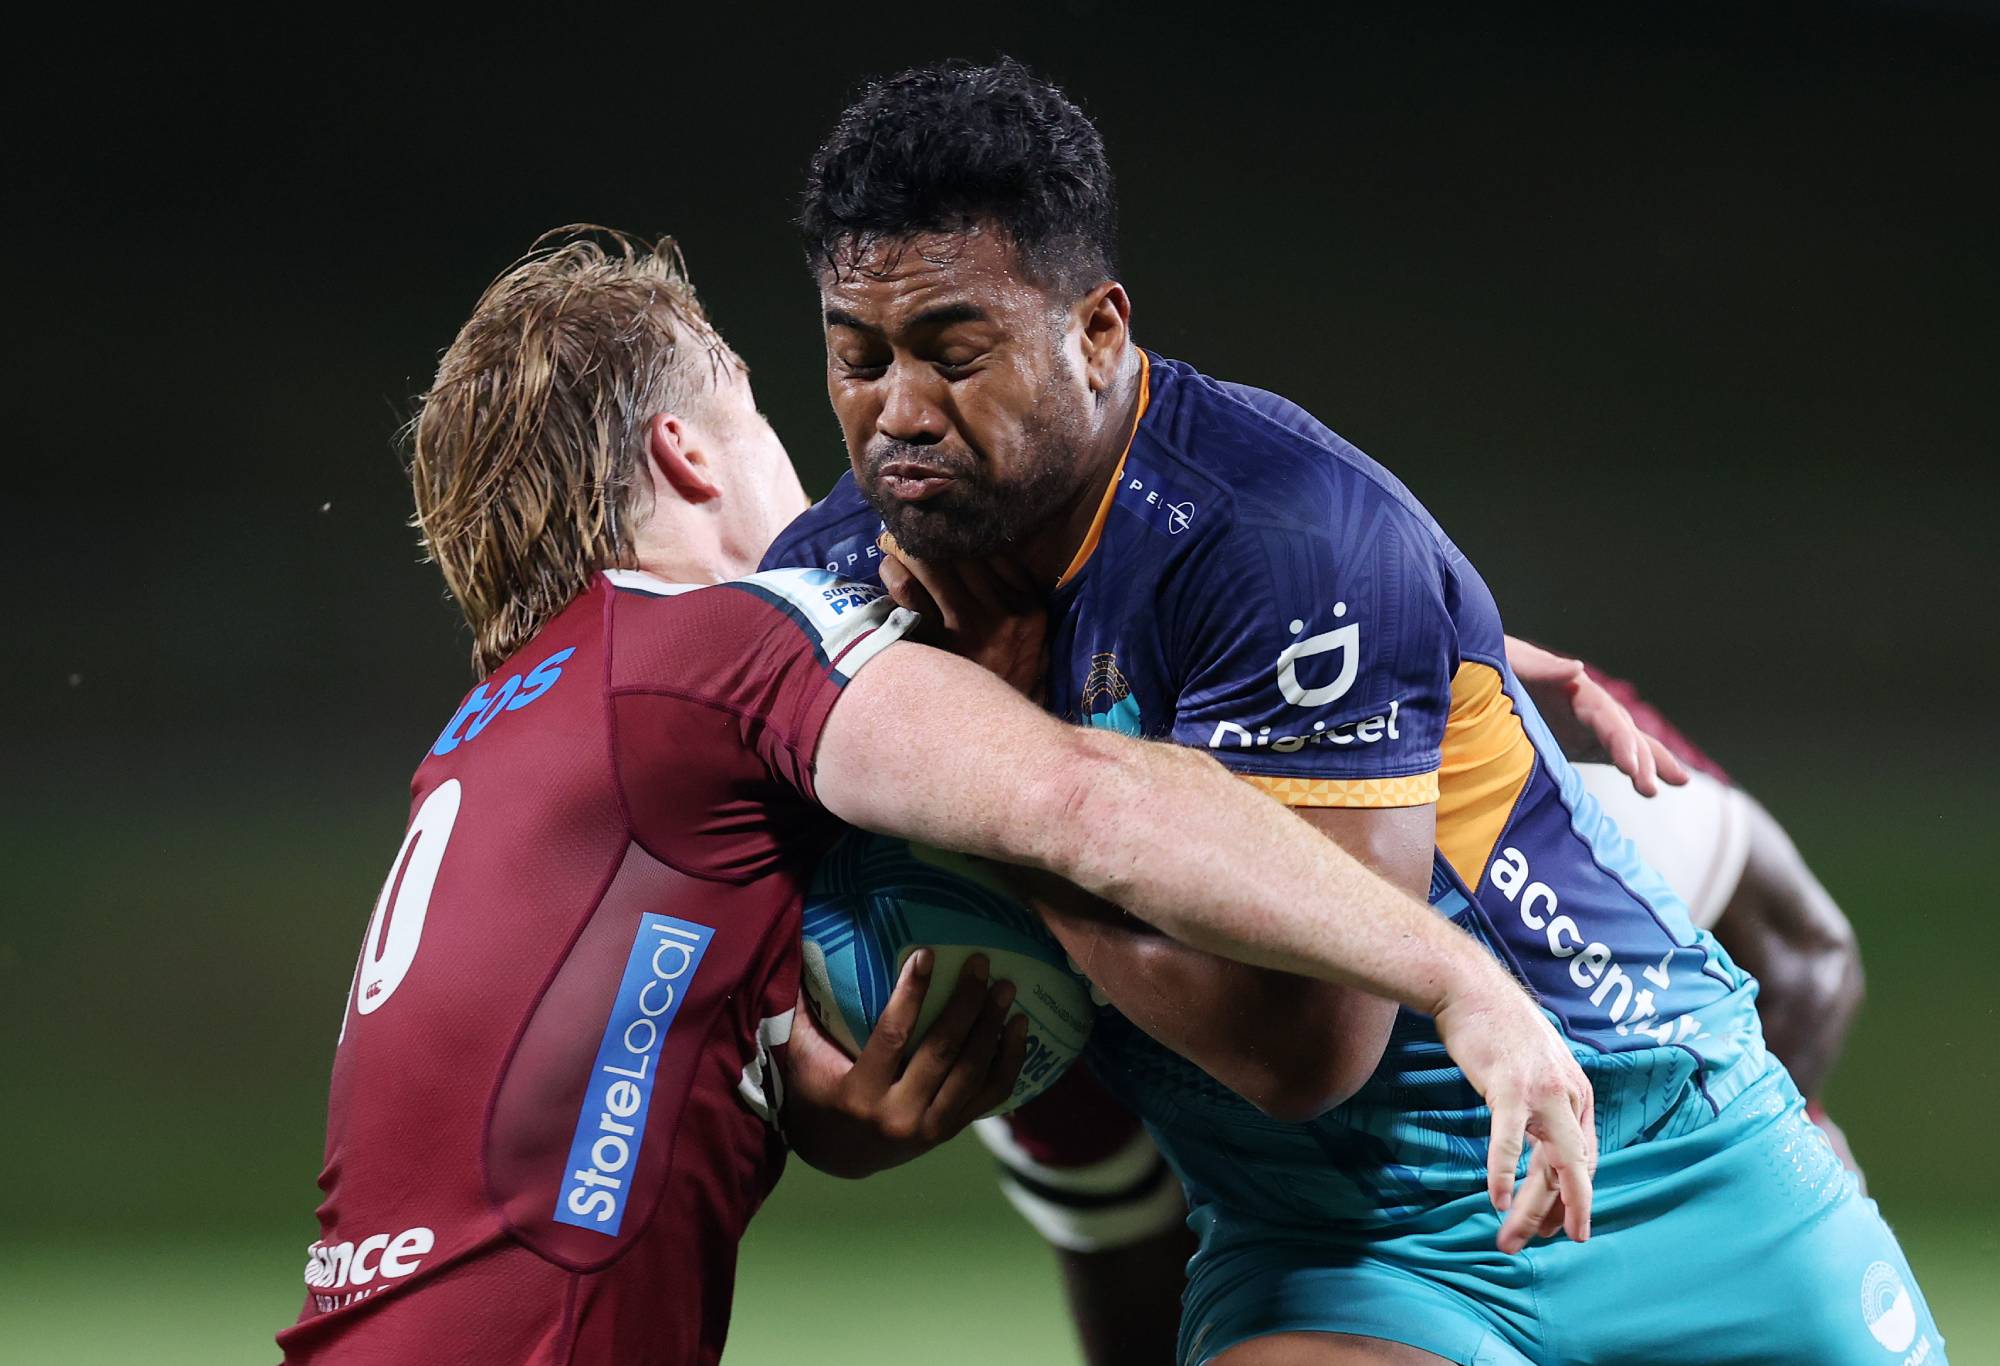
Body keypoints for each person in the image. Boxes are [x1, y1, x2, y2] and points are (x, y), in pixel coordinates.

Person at [763, 59, 1941, 1365]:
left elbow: (1303, 1047)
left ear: (1098, 333)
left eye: (954, 352)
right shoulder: (831, 584)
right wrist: (803, 1101)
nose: (898, 413)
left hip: (1663, 1163)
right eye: (855, 357)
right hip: (1341, 1251)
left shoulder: (1280, 536)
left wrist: (996, 777)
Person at [275, 230, 1592, 1366]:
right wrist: (1455, 977)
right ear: (686, 456)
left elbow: (584, 1042)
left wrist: (795, 1096)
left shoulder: (500, 734)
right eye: (767, 423)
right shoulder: (720, 649)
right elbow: (1087, 800)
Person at [966, 643, 1871, 1366]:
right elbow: (1130, 1278)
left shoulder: (1535, 808)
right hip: (1321, 1250)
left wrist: (1707, 1171)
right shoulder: (1026, 1015)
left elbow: (1805, 951)